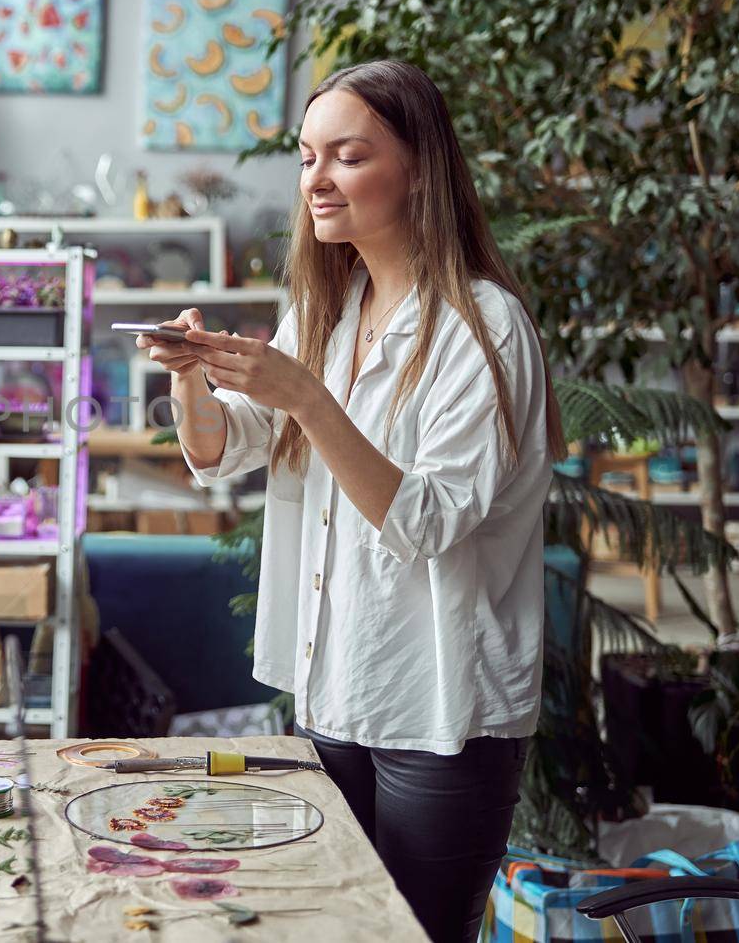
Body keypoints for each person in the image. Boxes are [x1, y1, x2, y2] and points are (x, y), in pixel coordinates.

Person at [138, 59, 567, 943]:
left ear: (419, 168)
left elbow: (428, 522)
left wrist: (307, 397)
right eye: (305, 158)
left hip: (440, 708)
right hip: (334, 688)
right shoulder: (328, 308)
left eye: (347, 155)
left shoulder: (483, 328)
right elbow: (228, 449)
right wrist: (191, 379)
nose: (317, 180)